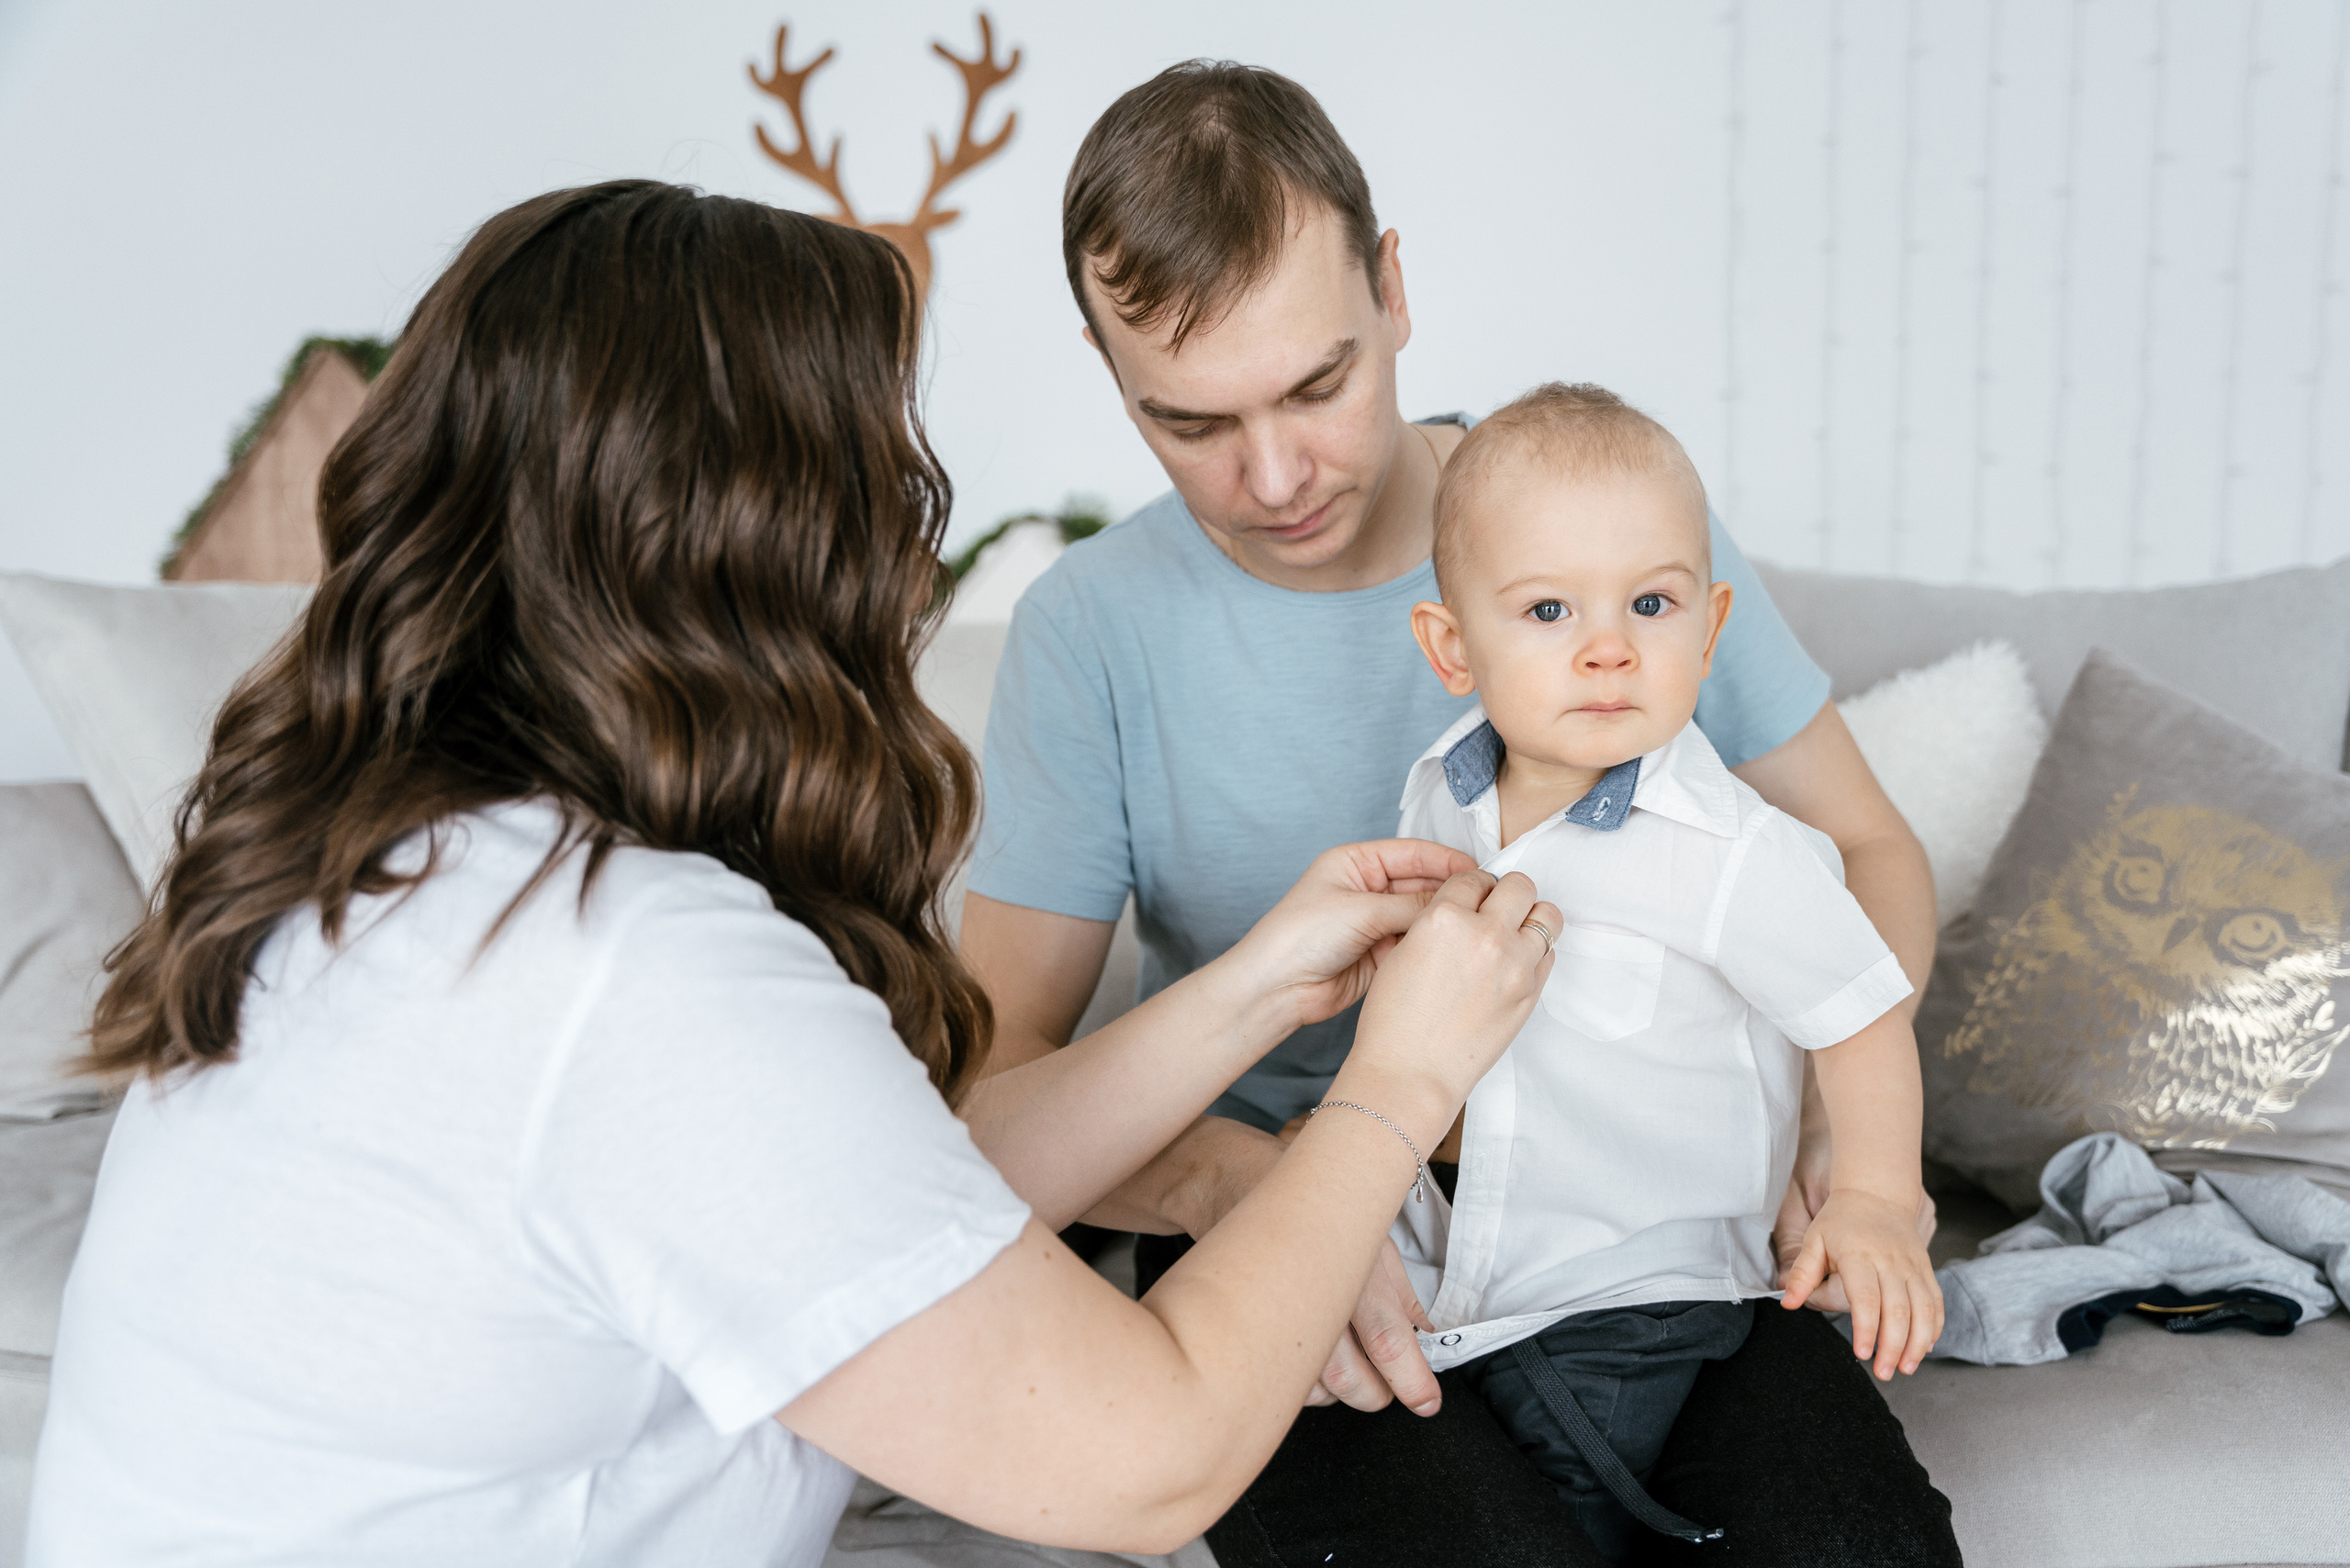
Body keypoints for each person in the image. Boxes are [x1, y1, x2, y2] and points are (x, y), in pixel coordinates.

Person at [23, 181, 1562, 1567]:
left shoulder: (417, 873)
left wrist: (1253, 987)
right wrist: (1396, 1081)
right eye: (883, 479)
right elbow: (1149, 1460)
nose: (910, 535)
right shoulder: (624, 968)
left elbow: (888, 1189)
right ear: (771, 543)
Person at [958, 62, 1955, 1565]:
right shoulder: (1089, 631)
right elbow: (993, 1082)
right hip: (1306, 1252)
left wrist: (1840, 1140)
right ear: (1113, 380)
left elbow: (1865, 847)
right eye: (1193, 423)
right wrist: (1253, 1192)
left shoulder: (1595, 520)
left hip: (1658, 1235)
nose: (1278, 474)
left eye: (1318, 384)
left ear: (1393, 290)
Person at [1371, 381, 1947, 1562]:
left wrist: (1875, 1196)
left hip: (1641, 1298)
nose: (1606, 646)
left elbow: (1859, 1010)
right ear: (1449, 646)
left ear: (1710, 625)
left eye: (1649, 601)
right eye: (1545, 609)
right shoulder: (1442, 787)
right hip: (1464, 1268)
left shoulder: (1733, 853)